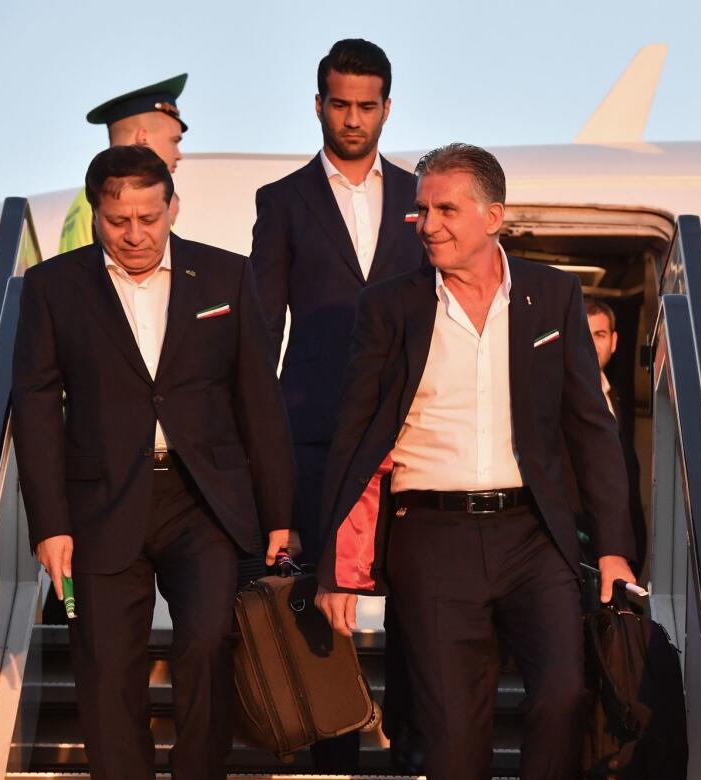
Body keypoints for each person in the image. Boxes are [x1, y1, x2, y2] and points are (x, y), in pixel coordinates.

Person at [314, 143, 637, 780]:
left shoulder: (554, 296)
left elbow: (590, 430)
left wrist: (612, 548)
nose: (428, 224)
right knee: (453, 731)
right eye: (422, 210)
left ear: (493, 217)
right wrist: (335, 566)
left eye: (446, 210)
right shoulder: (390, 306)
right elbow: (352, 438)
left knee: (561, 693)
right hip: (430, 538)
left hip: (532, 535)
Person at [12, 145, 298, 779]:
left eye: (149, 217)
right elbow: (35, 409)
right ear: (97, 214)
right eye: (119, 221)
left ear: (173, 206)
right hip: (99, 505)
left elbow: (259, 398)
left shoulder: (227, 276)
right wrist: (49, 524)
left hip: (203, 502)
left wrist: (280, 511)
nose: (135, 235)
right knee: (106, 664)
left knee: (206, 642)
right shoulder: (53, 287)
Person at [249, 37, 424, 771]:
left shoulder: (424, 198)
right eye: (340, 104)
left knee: (421, 609)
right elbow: (261, 329)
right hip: (315, 434)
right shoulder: (283, 201)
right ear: (319, 104)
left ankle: (416, 751)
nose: (353, 119)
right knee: (324, 615)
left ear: (387, 107)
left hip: (411, 437)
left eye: (367, 105)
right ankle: (332, 760)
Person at [59, 74, 187, 253]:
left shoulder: (85, 197)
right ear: (143, 137)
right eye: (174, 141)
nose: (178, 154)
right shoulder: (114, 194)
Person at [584, 297, 647, 569]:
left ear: (614, 341)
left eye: (599, 334)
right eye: (582, 334)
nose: (591, 344)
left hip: (620, 542)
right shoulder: (553, 397)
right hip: (579, 543)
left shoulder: (616, 397)